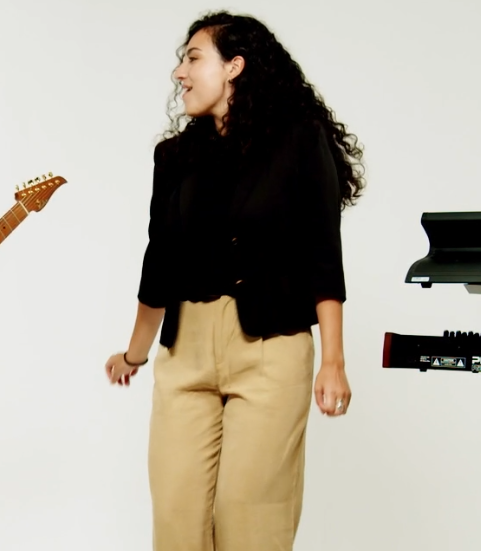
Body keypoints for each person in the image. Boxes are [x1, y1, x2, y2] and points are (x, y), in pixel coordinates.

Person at [104, 11, 364, 551]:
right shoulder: (174, 157)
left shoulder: (299, 140)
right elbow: (159, 263)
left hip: (270, 347)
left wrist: (334, 361)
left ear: (235, 68)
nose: (179, 72)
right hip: (186, 352)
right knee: (177, 521)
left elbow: (322, 253)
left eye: (193, 58)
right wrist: (134, 353)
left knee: (251, 523)